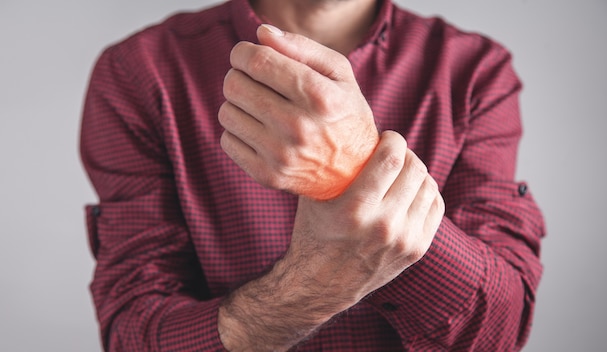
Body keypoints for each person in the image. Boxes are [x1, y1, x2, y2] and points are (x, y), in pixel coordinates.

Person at [80, 0, 546, 350]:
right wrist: (316, 285)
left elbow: (496, 333)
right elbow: (134, 331)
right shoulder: (140, 72)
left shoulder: (476, 72)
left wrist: (354, 168)